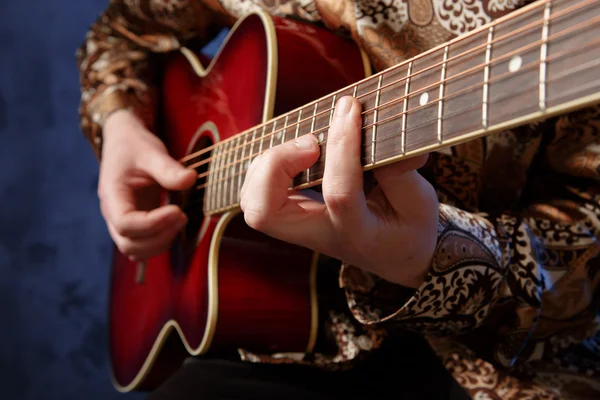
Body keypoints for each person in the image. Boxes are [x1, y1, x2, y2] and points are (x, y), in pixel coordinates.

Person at [76, 0, 600, 399]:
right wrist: (119, 122)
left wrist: (433, 258)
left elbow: (585, 269)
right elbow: (121, 34)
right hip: (279, 331)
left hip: (488, 362)